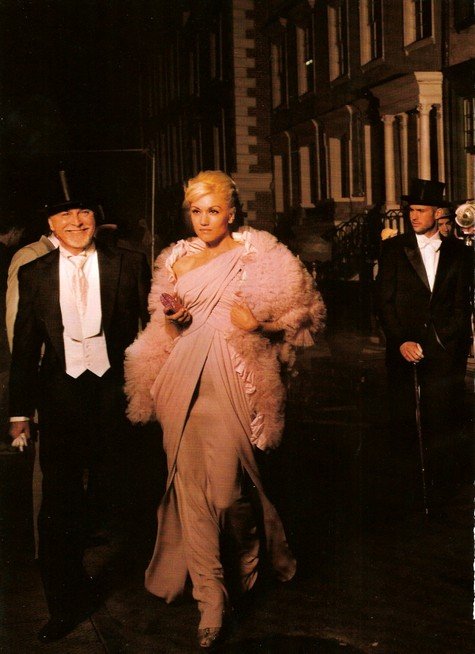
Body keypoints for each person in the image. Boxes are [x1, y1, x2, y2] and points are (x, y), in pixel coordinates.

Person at [124, 170, 326, 649]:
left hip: (233, 380)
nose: (203, 220)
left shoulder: (262, 255)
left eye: (213, 211)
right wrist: (175, 320)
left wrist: (261, 324)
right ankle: (210, 601)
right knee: (190, 492)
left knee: (227, 496)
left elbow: (307, 317)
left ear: (231, 213)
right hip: (179, 382)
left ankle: (250, 557)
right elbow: (160, 327)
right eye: (196, 211)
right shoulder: (176, 259)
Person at [8, 196, 150, 642]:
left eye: (83, 213)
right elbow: (25, 347)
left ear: (96, 219)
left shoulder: (129, 263)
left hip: (116, 393)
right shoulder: (34, 273)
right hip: (60, 397)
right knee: (59, 501)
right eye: (64, 215)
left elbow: (155, 329)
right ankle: (63, 603)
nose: (75, 222)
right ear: (51, 224)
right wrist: (19, 412)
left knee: (125, 490)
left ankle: (152, 586)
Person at [376, 178, 472, 508]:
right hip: (404, 351)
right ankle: (409, 494)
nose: (413, 216)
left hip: (444, 353)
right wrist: (401, 341)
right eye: (411, 210)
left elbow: (461, 306)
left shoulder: (459, 253)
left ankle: (441, 491)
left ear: (437, 213)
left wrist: (445, 342)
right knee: (405, 422)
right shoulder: (394, 250)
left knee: (443, 421)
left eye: (420, 210)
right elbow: (384, 302)